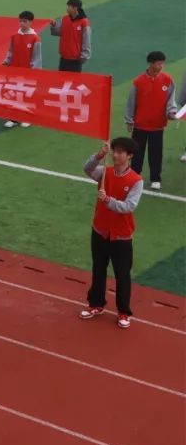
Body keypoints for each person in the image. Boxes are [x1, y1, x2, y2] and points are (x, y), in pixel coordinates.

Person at [81, 138, 143, 328]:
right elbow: (88, 169)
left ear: (129, 156)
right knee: (98, 269)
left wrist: (107, 200)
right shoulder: (105, 172)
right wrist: (99, 155)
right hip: (100, 230)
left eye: (120, 152)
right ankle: (96, 304)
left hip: (121, 236)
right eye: (114, 151)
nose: (115, 155)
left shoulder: (136, 181)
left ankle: (123, 312)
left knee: (122, 274)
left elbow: (129, 206)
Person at [125, 51, 175, 190]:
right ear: (151, 64)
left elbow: (170, 99)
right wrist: (129, 120)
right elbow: (131, 102)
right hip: (140, 125)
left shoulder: (167, 80)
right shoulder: (138, 82)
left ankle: (155, 179)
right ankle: (134, 178)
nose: (161, 66)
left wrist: (171, 112)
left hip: (157, 126)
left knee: (156, 154)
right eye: (159, 64)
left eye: (162, 63)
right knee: (137, 154)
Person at [2, 10, 42, 128]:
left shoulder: (35, 38)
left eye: (24, 21)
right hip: (14, 70)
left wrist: (34, 72)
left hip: (27, 72)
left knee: (26, 94)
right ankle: (13, 118)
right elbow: (10, 51)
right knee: (13, 93)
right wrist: (7, 61)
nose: (22, 24)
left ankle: (27, 117)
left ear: (30, 22)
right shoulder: (15, 36)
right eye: (20, 21)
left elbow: (36, 57)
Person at [49, 0, 91, 72]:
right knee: (61, 78)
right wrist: (54, 25)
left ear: (75, 8)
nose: (67, 8)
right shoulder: (65, 19)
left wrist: (84, 57)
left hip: (76, 60)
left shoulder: (84, 22)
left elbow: (86, 40)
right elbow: (59, 32)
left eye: (69, 6)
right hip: (63, 58)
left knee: (74, 79)